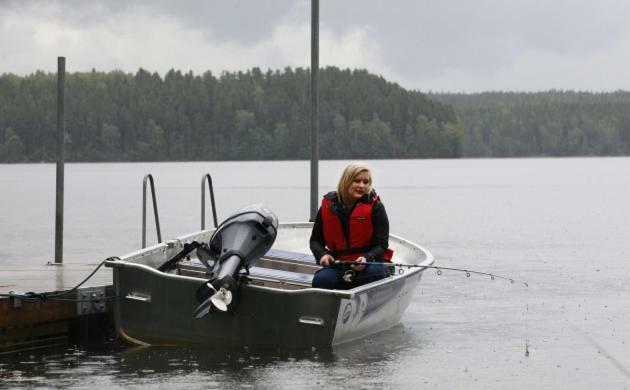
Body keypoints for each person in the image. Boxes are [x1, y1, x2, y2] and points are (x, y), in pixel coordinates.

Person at [310, 162, 392, 289]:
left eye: (366, 182)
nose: (361, 186)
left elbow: (381, 245)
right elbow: (315, 241)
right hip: (339, 265)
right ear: (346, 181)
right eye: (357, 181)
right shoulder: (327, 206)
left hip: (370, 264)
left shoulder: (376, 207)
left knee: (373, 273)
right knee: (322, 280)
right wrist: (322, 255)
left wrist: (366, 258)